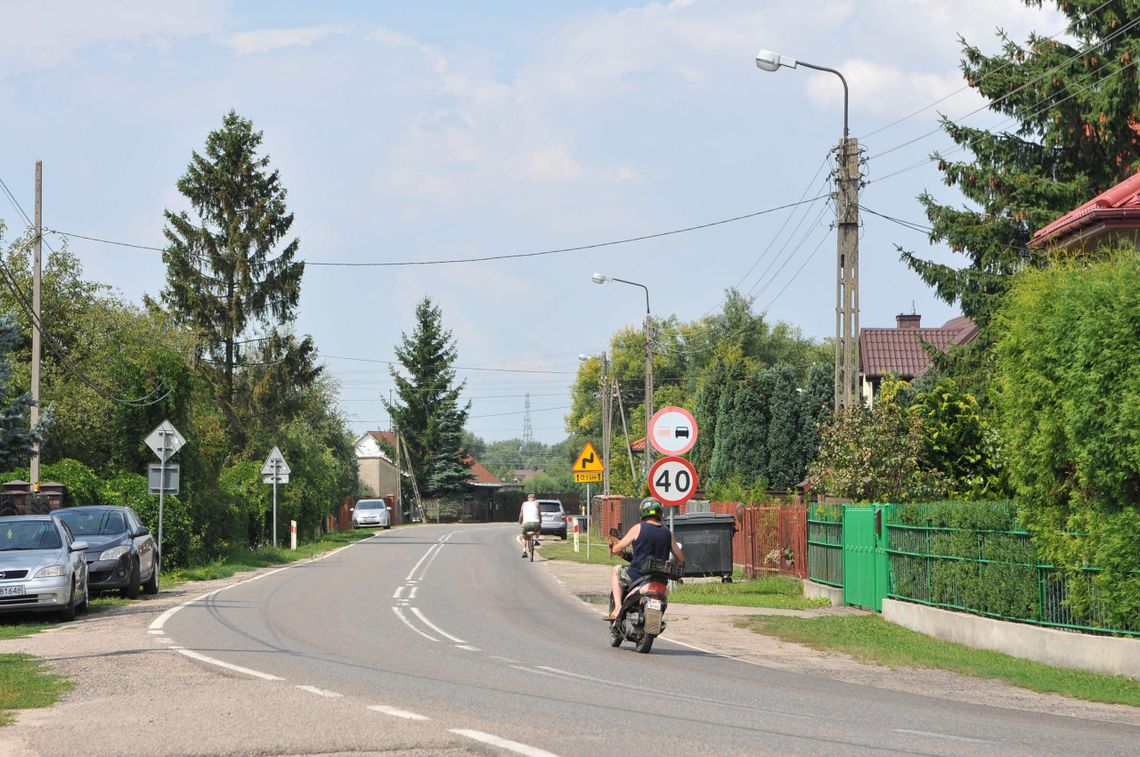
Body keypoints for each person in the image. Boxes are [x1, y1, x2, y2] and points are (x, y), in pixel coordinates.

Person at [603, 498, 684, 621]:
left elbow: (616, 549)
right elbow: (681, 558)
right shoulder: (668, 532)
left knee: (616, 570)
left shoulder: (638, 528)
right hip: (660, 578)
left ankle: (618, 608)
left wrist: (614, 547)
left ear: (643, 512)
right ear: (660, 513)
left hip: (637, 576)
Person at [518, 494, 541, 558]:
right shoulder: (537, 503)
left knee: (524, 537)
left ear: (528, 499)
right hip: (536, 523)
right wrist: (540, 521)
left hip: (526, 524)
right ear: (534, 499)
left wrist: (520, 521)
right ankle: (536, 540)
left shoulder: (524, 503)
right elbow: (539, 514)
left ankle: (524, 551)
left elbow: (521, 514)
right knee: (538, 529)